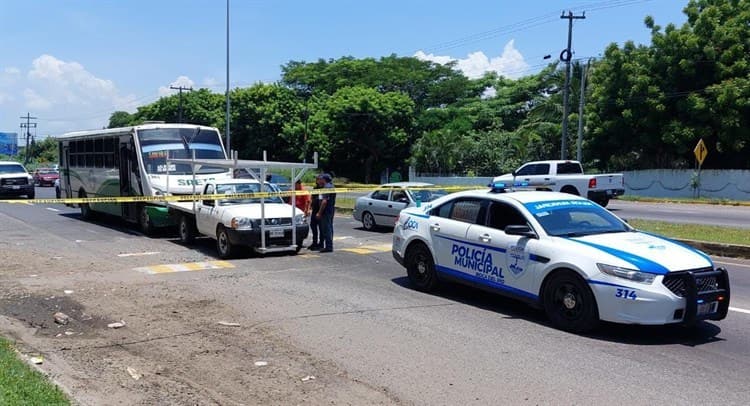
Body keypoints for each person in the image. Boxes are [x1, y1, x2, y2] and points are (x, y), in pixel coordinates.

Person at [316, 173, 336, 253]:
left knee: (327, 228)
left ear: (324, 179)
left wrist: (319, 213)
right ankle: (329, 245)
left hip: (326, 211)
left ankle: (328, 246)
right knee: (329, 227)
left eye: (320, 179)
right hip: (330, 210)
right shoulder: (329, 186)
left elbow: (324, 201)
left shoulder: (327, 187)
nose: (318, 180)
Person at [307, 175, 324, 250]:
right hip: (314, 210)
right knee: (313, 226)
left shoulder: (324, 188)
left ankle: (321, 243)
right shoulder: (315, 188)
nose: (317, 181)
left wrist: (320, 212)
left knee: (321, 228)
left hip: (321, 210)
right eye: (316, 179)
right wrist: (309, 208)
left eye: (318, 179)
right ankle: (314, 242)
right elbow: (312, 198)